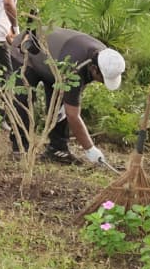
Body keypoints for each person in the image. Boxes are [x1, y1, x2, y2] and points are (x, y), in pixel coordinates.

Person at [7, 27, 126, 166]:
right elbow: (73, 116)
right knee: (23, 99)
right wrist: (90, 149)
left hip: (55, 61)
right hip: (27, 51)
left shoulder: (103, 56)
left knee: (60, 103)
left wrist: (68, 102)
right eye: (103, 79)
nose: (102, 83)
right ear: (94, 69)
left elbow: (74, 94)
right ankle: (20, 148)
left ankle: (58, 149)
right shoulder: (75, 68)